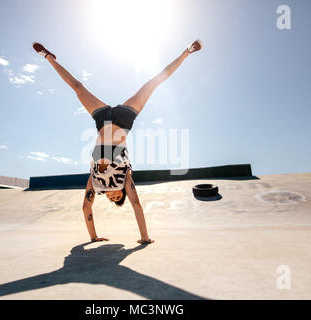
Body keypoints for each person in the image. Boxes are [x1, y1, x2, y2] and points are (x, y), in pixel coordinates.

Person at [33, 39, 203, 244]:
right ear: (121, 192)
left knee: (77, 87)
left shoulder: (95, 182)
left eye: (111, 199)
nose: (112, 196)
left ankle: (48, 57)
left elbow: (86, 207)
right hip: (124, 119)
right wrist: (144, 237)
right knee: (153, 83)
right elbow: (137, 205)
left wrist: (93, 237)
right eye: (117, 197)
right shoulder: (125, 179)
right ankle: (187, 52)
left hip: (102, 119)